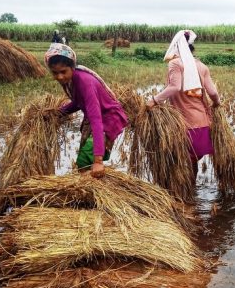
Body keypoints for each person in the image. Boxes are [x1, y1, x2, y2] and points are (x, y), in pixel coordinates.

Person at [146, 30, 222, 183]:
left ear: (177, 47)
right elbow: (213, 92)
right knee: (192, 161)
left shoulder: (176, 63)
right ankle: (191, 190)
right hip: (202, 123)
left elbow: (174, 87)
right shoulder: (201, 66)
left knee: (180, 161)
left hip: (183, 124)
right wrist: (216, 103)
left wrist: (154, 100)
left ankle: (183, 194)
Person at [44, 43, 128, 178]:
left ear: (72, 67)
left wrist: (98, 161)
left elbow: (96, 119)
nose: (59, 77)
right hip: (99, 118)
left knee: (85, 161)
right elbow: (78, 103)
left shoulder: (85, 82)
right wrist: (57, 112)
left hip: (109, 119)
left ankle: (95, 189)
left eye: (63, 71)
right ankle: (93, 187)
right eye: (55, 73)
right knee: (85, 162)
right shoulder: (73, 80)